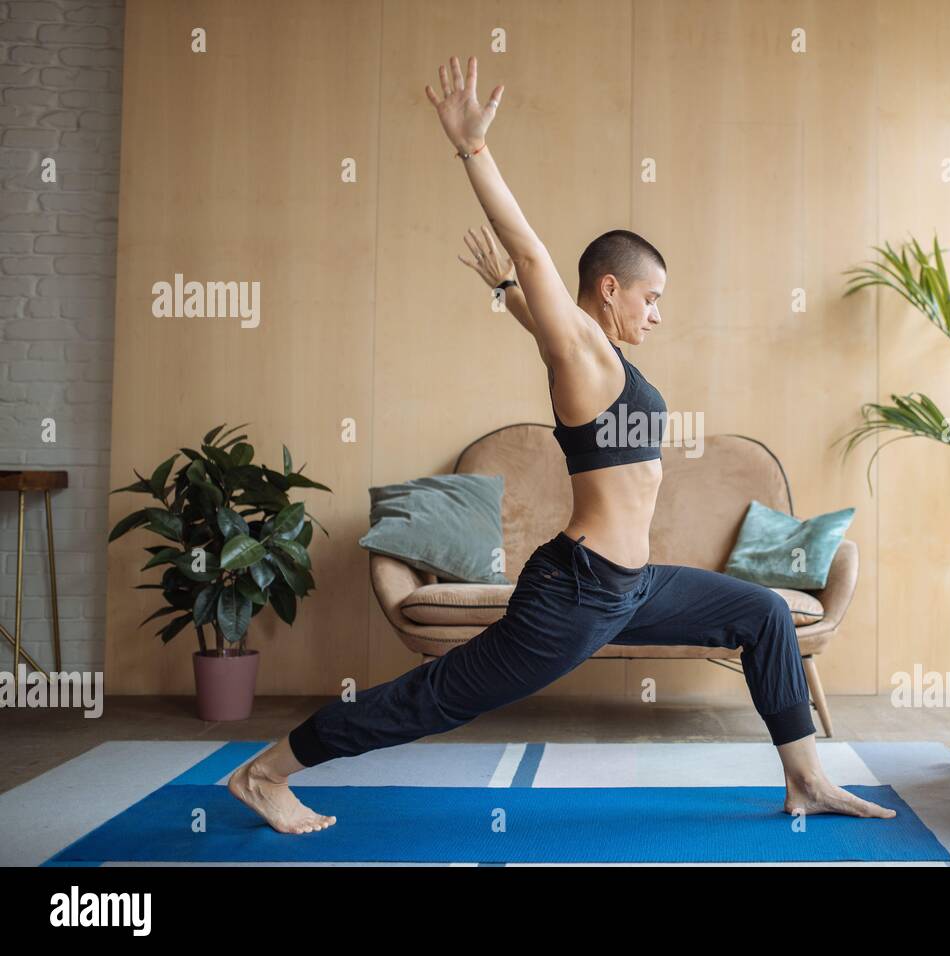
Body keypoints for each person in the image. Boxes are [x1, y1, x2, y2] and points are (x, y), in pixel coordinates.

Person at [228, 55, 896, 835]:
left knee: (762, 616)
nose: (657, 314)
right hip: (577, 594)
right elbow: (540, 257)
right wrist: (474, 151)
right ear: (609, 287)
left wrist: (504, 293)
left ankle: (807, 779)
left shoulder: (590, 355)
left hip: (630, 585)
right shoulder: (585, 347)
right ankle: (268, 772)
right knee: (441, 697)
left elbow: (544, 320)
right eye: (652, 297)